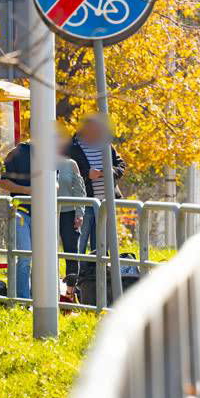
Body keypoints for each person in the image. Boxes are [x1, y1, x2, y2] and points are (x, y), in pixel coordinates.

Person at [67, 115, 126, 254]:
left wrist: (110, 171)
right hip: (85, 203)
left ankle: (99, 274)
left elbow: (121, 166)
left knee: (101, 243)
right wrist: (87, 174)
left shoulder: (106, 145)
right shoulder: (73, 147)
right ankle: (78, 273)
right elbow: (65, 171)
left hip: (106, 202)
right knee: (79, 241)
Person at [0, 141, 33, 299]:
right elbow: (4, 182)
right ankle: (23, 300)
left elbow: (57, 183)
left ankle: (39, 298)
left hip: (44, 214)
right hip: (21, 212)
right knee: (25, 256)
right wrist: (26, 190)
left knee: (43, 258)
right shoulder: (15, 153)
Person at [57, 126, 86, 294]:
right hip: (48, 214)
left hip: (68, 214)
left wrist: (79, 213)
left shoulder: (71, 164)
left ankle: (70, 293)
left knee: (71, 253)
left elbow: (80, 191)